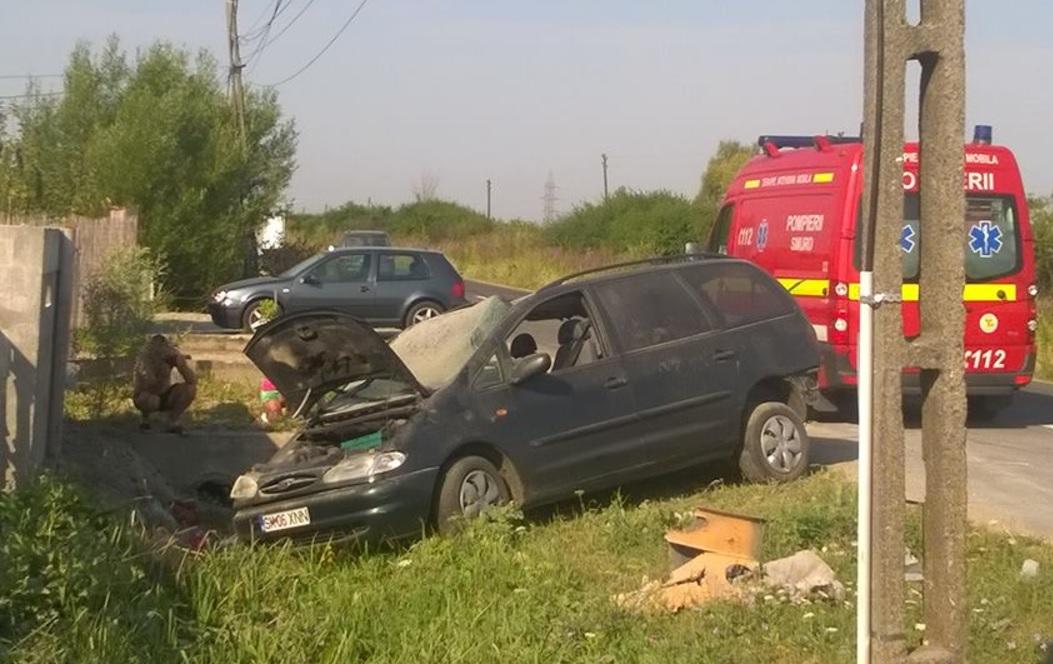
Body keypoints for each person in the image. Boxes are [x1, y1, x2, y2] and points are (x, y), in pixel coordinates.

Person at [132, 334, 197, 434]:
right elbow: (150, 383)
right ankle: (145, 419)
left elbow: (192, 381)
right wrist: (158, 367)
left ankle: (173, 420)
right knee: (152, 400)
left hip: (165, 394)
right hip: (146, 395)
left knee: (190, 390)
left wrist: (182, 366)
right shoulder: (144, 359)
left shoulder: (171, 354)